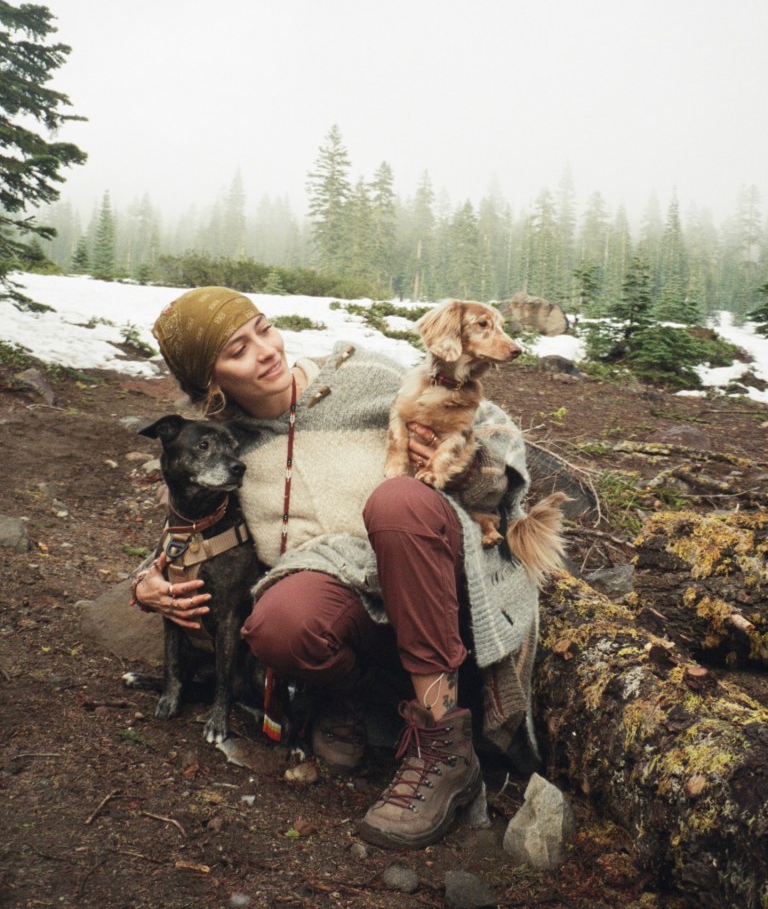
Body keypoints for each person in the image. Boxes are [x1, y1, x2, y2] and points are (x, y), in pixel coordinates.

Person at [132, 285, 541, 850]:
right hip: (341, 592)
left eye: (263, 328)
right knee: (279, 623)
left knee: (395, 502)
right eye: (237, 350)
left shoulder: (366, 376)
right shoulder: (228, 444)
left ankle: (443, 748)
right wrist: (146, 581)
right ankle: (373, 703)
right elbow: (188, 522)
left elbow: (500, 439)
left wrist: (467, 467)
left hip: (429, 574)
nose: (266, 350)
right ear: (211, 381)